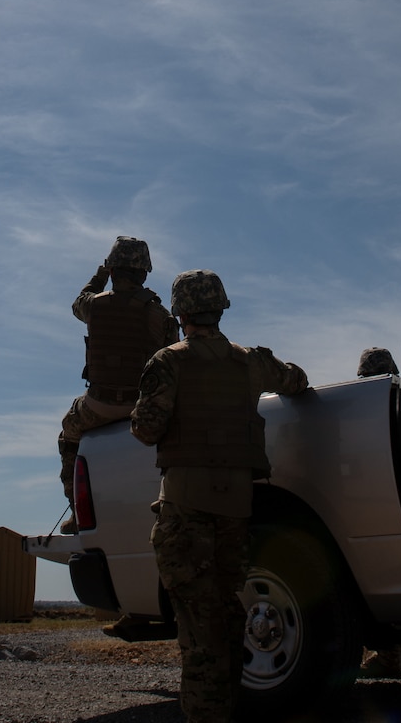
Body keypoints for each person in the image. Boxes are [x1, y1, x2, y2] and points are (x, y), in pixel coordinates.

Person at [131, 269, 310, 723]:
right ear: (221, 307)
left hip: (185, 510)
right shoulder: (250, 362)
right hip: (236, 510)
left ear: (180, 312)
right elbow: (297, 380)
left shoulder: (167, 362)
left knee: (199, 631)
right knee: (230, 619)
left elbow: (145, 428)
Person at [57, 236, 179, 531]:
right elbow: (173, 365)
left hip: (99, 404)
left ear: (112, 270)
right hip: (141, 405)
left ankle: (77, 511)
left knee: (68, 435)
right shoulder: (159, 315)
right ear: (144, 273)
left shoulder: (92, 306)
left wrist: (100, 274)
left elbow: (78, 301)